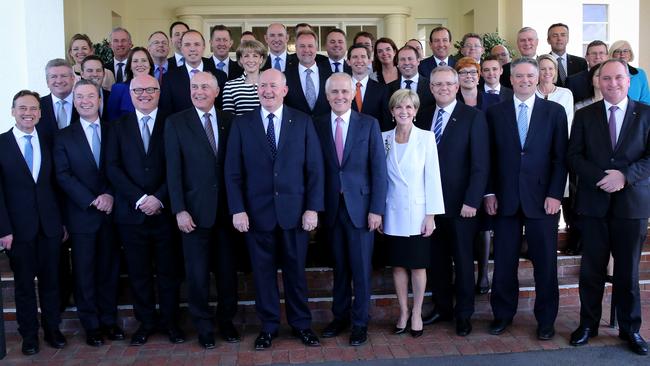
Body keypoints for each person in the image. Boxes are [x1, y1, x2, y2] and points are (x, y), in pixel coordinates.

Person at [224, 69, 324, 350]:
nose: (267, 90)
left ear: (285, 90)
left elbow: (314, 169)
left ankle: (301, 325)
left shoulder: (302, 121)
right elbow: (233, 172)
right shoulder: (242, 124)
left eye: (273, 86)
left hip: (295, 213)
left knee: (296, 273)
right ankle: (268, 327)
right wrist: (238, 209)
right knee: (263, 273)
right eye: (263, 85)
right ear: (257, 89)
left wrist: (312, 208)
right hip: (256, 215)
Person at [567, 59, 650, 356]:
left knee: (627, 273)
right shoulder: (585, 114)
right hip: (593, 205)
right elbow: (574, 156)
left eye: (618, 78)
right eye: (606, 79)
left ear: (628, 81)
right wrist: (602, 178)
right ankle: (587, 325)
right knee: (591, 270)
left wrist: (624, 177)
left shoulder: (646, 114)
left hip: (632, 206)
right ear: (598, 82)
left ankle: (631, 329)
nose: (612, 84)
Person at [485, 57, 568, 340]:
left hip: (543, 200)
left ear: (538, 78)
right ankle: (503, 315)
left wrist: (555, 194)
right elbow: (489, 158)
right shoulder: (495, 113)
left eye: (529, 76)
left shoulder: (554, 112)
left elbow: (560, 159)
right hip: (505, 199)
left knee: (545, 264)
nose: (524, 81)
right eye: (518, 76)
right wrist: (490, 192)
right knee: (504, 263)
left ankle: (546, 320)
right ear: (510, 79)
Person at [105, 74, 184, 346]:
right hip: (131, 214)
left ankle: (171, 322)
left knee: (168, 273)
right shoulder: (117, 126)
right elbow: (112, 167)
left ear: (159, 92)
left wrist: (159, 198)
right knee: (139, 273)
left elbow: (178, 165)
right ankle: (146, 322)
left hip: (165, 212)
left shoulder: (173, 122)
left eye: (151, 89)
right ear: (130, 93)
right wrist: (140, 198)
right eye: (138, 90)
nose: (145, 94)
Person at [164, 72, 239, 349]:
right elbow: (173, 171)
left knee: (227, 272)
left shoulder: (231, 121)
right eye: (194, 87)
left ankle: (227, 321)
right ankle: (204, 326)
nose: (199, 91)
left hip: (228, 213)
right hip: (193, 214)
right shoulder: (176, 122)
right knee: (196, 274)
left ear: (216, 91)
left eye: (205, 86)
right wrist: (179, 210)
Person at [313, 72, 387, 346]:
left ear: (352, 94)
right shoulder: (317, 124)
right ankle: (339, 317)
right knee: (340, 268)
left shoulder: (368, 124)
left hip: (362, 209)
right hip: (331, 209)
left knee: (360, 269)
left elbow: (379, 171)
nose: (340, 97)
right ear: (327, 95)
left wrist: (376, 209)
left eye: (345, 92)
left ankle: (360, 323)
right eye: (335, 92)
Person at [415, 66, 489, 336]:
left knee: (463, 259)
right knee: (437, 260)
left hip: (461, 206)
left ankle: (464, 313)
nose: (443, 88)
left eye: (448, 84)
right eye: (437, 84)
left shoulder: (473, 117)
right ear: (431, 88)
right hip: (429, 207)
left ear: (457, 87)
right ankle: (443, 307)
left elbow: (481, 164)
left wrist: (472, 200)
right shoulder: (421, 116)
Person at [53, 79, 124, 347]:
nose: (85, 101)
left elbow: (118, 166)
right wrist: (93, 199)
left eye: (90, 96)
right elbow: (63, 175)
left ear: (99, 100)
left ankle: (109, 320)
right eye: (79, 96)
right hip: (82, 215)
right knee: (84, 272)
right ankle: (91, 325)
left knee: (109, 270)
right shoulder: (63, 136)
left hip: (111, 212)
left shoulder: (113, 131)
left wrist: (109, 195)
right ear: (74, 101)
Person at [0, 90, 66, 355]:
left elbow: (56, 185)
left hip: (49, 226)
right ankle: (29, 335)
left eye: (33, 109)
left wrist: (61, 222)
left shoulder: (50, 140)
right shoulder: (1, 143)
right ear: (13, 111)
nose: (28, 113)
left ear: (40, 112)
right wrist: (3, 230)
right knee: (24, 285)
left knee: (52, 283)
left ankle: (53, 329)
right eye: (23, 108)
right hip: (17, 231)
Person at [382, 89, 445, 338]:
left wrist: (431, 215)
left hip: (418, 212)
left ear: (416, 111)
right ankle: (403, 312)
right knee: (398, 266)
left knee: (418, 266)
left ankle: (417, 312)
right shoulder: (382, 137)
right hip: (392, 212)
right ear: (392, 111)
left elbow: (433, 177)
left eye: (409, 107)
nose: (404, 111)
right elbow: (380, 179)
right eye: (399, 107)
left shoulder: (426, 138)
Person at [160, 30, 228, 113]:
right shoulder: (169, 78)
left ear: (204, 47)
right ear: (181, 48)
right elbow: (166, 111)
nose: (192, 49)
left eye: (197, 44)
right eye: (187, 45)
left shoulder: (220, 76)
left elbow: (222, 109)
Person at [284, 30, 332, 116]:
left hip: (324, 128)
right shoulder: (285, 76)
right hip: (296, 128)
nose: (306, 50)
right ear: (296, 48)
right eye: (302, 46)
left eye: (310, 46)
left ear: (316, 48)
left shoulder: (330, 75)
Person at [347, 44, 391, 131]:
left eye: (363, 56)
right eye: (355, 57)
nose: (359, 60)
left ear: (369, 61)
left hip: (373, 139)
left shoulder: (382, 90)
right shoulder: (342, 89)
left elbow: (386, 122)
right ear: (348, 61)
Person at [106, 47, 155, 122]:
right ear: (130, 66)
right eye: (135, 61)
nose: (140, 64)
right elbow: (112, 121)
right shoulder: (118, 89)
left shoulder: (158, 89)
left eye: (144, 60)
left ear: (150, 65)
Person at [36, 59, 78, 140]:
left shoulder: (83, 104)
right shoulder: (37, 105)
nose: (59, 81)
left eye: (64, 76)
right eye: (53, 77)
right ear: (47, 82)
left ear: (73, 79)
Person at [222, 40, 267, 115]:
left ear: (261, 59)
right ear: (241, 59)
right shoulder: (230, 86)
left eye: (255, 56)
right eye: (246, 56)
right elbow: (228, 118)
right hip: (240, 126)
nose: (251, 60)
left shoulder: (270, 83)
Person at [535, 54, 574, 125]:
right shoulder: (530, 93)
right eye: (543, 69)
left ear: (555, 71)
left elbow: (568, 122)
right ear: (536, 71)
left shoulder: (565, 94)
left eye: (551, 68)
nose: (547, 72)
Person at [608, 40, 650, 104]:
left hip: (636, 112)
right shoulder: (606, 73)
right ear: (612, 54)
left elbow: (646, 99)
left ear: (630, 54)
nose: (622, 54)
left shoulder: (640, 73)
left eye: (625, 51)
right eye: (618, 51)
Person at [546, 23, 587, 87]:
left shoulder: (581, 63)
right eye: (555, 35)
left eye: (563, 35)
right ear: (548, 40)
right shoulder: (541, 63)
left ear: (568, 39)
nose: (559, 38)